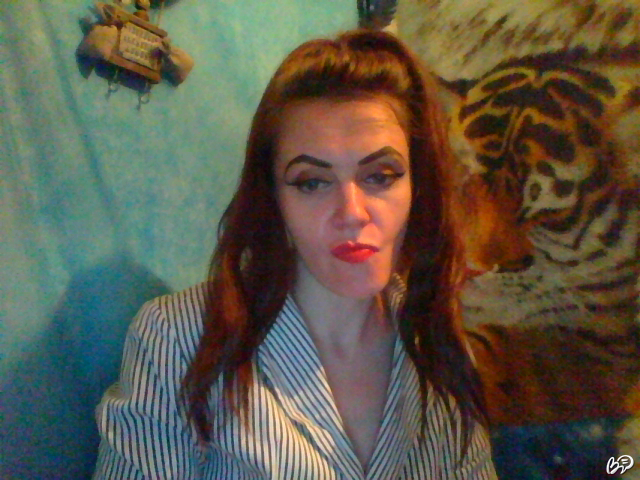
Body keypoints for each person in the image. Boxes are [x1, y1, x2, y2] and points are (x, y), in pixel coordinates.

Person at [93, 29, 497, 479]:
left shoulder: (439, 343)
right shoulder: (179, 340)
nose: (352, 213)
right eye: (312, 182)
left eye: (381, 176)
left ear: (417, 186)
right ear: (274, 198)